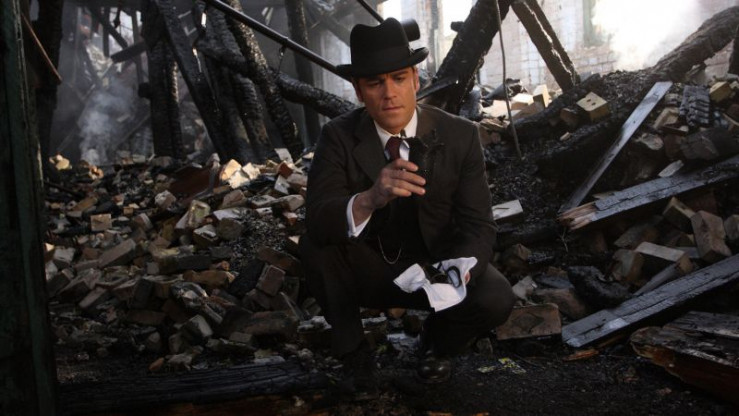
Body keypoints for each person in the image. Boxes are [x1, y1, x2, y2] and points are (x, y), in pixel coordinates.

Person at [300, 17, 515, 393]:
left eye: (399, 78)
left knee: (496, 297)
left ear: (415, 80)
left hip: (436, 268)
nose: (389, 94)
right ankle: (354, 355)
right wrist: (369, 198)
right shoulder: (337, 136)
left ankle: (435, 346)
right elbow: (318, 218)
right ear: (358, 91)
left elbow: (479, 224)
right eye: (374, 83)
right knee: (316, 245)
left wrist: (460, 269)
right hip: (372, 271)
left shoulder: (461, 135)